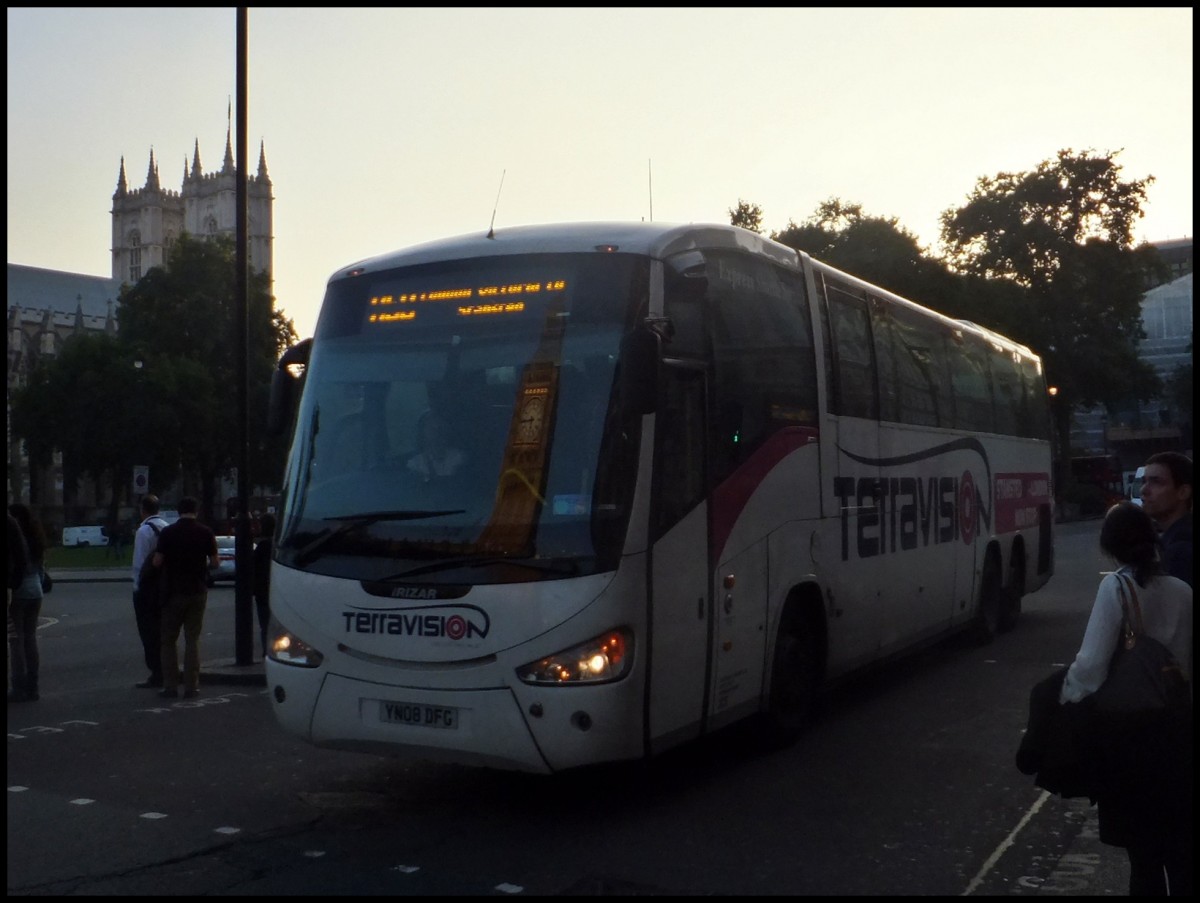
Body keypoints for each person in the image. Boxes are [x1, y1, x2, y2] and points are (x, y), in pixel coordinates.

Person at [1059, 501, 1192, 896]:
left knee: (1144, 858)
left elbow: (1091, 665)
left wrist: (1064, 696)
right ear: (1153, 541)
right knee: (1182, 850)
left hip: (1133, 737)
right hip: (1181, 731)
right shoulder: (1184, 590)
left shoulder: (1115, 587)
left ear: (1109, 547)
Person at [152, 496, 218, 700]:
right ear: (196, 511)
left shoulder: (168, 533)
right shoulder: (206, 532)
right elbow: (215, 562)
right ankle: (192, 686)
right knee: (192, 639)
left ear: (179, 511)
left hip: (173, 591)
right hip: (197, 590)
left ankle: (170, 685)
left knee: (168, 641)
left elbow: (157, 561)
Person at [8, 504, 47, 702]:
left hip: (19, 591)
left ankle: (18, 686)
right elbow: (41, 567)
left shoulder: (14, 536)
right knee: (30, 638)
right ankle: (33, 686)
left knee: (16, 640)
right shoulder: (36, 537)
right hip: (35, 591)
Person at [131, 494, 170, 688]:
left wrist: (137, 588)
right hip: (164, 586)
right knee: (164, 631)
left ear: (142, 509)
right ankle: (166, 668)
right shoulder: (166, 526)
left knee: (148, 631)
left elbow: (139, 564)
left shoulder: (144, 531)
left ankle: (156, 671)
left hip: (147, 588)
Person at [1140, 451, 1193, 587]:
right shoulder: (1170, 540)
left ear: (1183, 492)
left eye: (1156, 482)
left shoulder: (1181, 552)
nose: (1144, 490)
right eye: (1144, 481)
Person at [406, 411, 465, 480]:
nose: (437, 432)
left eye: (440, 428)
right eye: (432, 428)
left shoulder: (459, 457)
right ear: (422, 433)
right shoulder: (415, 464)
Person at [252, 513, 276, 660]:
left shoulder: (262, 547)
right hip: (275, 590)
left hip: (263, 592)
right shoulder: (278, 546)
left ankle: (267, 652)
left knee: (265, 625)